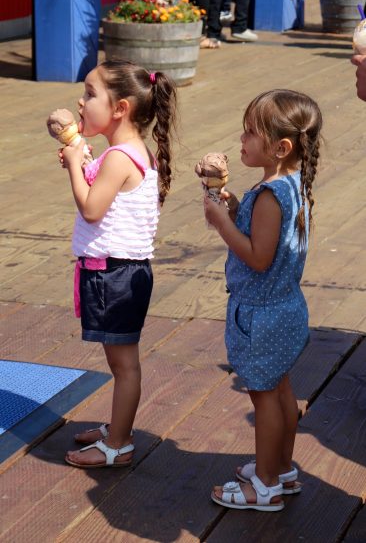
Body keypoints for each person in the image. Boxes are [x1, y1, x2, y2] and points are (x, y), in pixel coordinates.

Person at [203, 89, 322, 510]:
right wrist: (236, 210)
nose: (242, 138)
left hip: (262, 315)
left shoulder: (271, 196)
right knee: (281, 391)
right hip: (284, 307)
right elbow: (265, 243)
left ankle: (265, 484)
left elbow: (257, 257)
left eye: (252, 132)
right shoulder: (290, 184)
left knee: (264, 396)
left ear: (280, 147)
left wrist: (221, 223)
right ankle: (282, 468)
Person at [58, 59, 177, 468]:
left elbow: (92, 210)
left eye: (90, 93)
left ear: (120, 108)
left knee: (124, 366)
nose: (81, 100)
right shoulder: (130, 151)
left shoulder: (118, 158)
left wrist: (75, 164)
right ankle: (117, 427)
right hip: (122, 273)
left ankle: (119, 445)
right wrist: (81, 163)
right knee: (119, 361)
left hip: (117, 275)